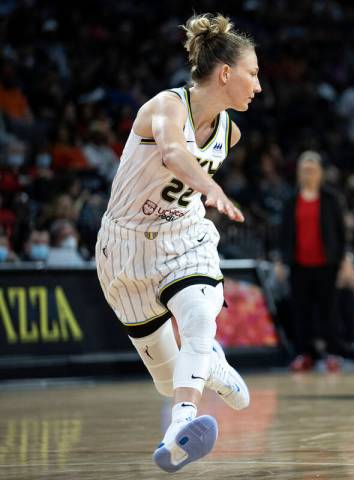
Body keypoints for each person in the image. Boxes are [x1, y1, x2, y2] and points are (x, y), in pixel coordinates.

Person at [94, 13, 261, 473]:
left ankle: (181, 422)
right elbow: (172, 153)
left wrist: (204, 194)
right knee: (168, 379)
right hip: (124, 248)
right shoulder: (166, 106)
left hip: (184, 237)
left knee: (199, 310)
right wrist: (211, 188)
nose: (258, 86)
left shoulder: (232, 130)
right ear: (225, 74)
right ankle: (212, 368)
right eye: (253, 73)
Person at [280, 151, 347, 371]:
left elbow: (342, 233)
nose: (308, 174)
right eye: (304, 170)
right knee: (301, 311)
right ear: (298, 173)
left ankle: (332, 353)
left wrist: (346, 262)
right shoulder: (291, 201)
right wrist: (281, 261)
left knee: (329, 310)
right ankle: (304, 353)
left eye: (312, 170)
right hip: (298, 264)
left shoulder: (331, 199)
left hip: (327, 264)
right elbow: (283, 233)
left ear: (320, 173)